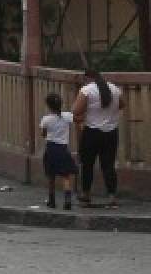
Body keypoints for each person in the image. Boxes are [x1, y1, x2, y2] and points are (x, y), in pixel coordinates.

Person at [72, 69, 125, 208]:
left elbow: (76, 111)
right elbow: (121, 105)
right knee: (108, 165)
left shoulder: (87, 90)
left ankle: (86, 195)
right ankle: (112, 197)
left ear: (88, 78)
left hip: (91, 132)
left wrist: (87, 114)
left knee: (87, 164)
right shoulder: (114, 89)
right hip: (111, 132)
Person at [40, 92, 77, 210]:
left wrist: (46, 132)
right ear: (61, 104)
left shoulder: (46, 119)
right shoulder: (67, 116)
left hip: (51, 148)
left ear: (48, 106)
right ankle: (67, 201)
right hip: (63, 148)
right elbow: (77, 118)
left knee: (51, 176)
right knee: (66, 176)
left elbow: (43, 134)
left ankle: (51, 201)